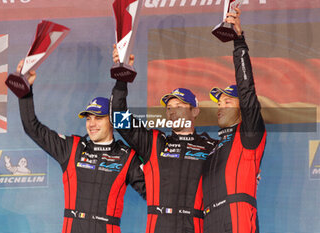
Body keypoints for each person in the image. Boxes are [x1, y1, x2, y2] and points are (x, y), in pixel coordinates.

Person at [16, 61, 146, 233]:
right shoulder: (72, 148)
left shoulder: (127, 156)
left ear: (112, 121)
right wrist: (25, 92)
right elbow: (32, 128)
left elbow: (156, 194)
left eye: (98, 117)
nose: (91, 124)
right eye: (88, 118)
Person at [111, 46, 217, 233]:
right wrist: (121, 77)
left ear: (195, 111)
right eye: (169, 107)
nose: (172, 111)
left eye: (179, 105)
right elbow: (119, 118)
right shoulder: (155, 142)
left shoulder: (212, 147)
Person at [202, 8, 266, 233]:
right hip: (209, 222)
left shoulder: (249, 135)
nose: (221, 106)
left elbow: (247, 90)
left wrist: (239, 42)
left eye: (228, 102)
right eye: (219, 103)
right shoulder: (211, 148)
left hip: (237, 219)